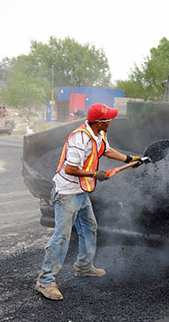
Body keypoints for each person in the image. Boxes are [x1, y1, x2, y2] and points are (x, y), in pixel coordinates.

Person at [35, 103, 141, 300]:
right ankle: (45, 281)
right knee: (62, 236)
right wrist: (95, 173)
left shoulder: (99, 134)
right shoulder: (79, 138)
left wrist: (129, 159)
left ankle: (83, 267)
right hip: (67, 192)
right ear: (100, 122)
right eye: (108, 119)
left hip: (82, 191)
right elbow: (70, 169)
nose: (111, 121)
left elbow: (107, 150)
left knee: (89, 227)